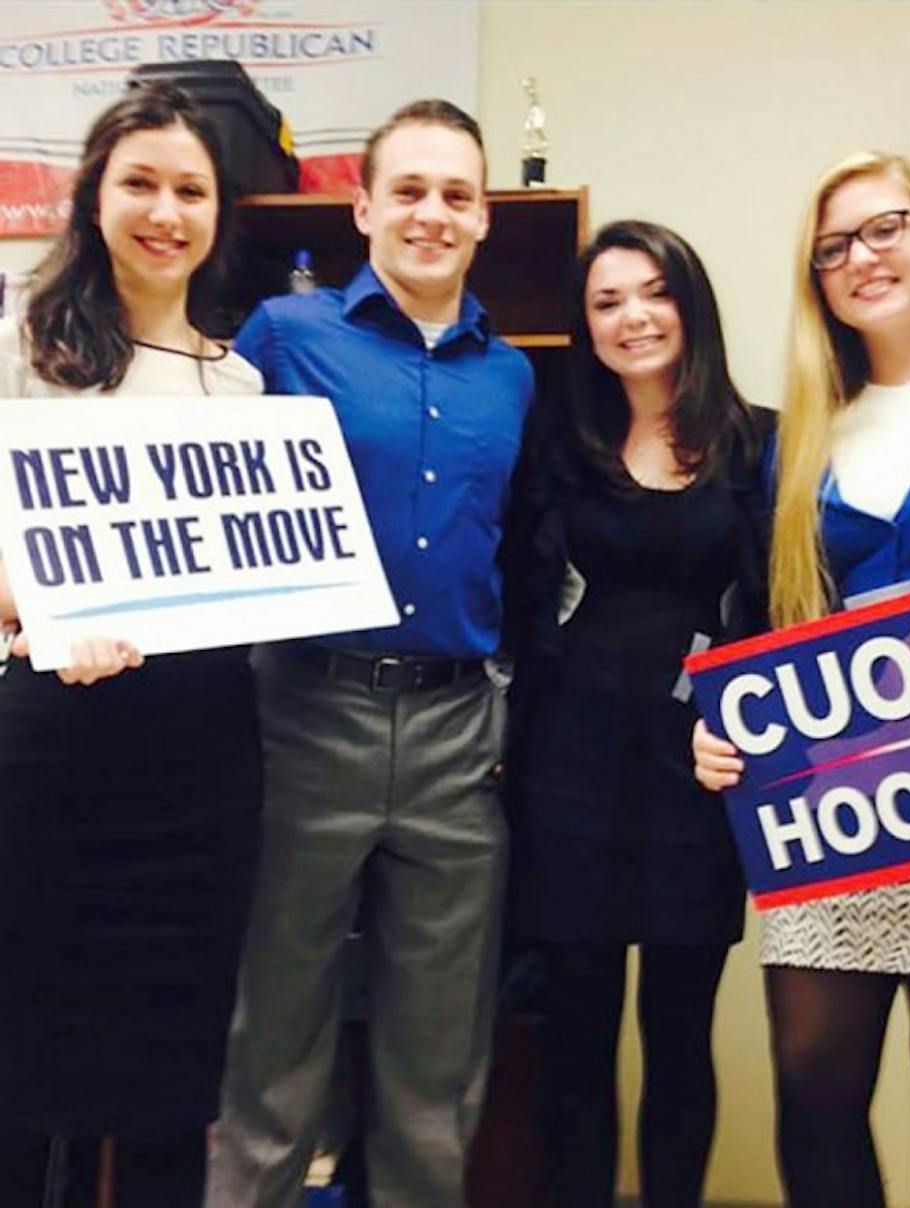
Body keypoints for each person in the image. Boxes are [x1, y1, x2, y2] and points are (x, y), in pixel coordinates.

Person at [207, 99, 533, 1208]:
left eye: (455, 194)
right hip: (305, 713)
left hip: (456, 735)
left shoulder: (513, 377)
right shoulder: (287, 333)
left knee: (435, 1063)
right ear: (364, 207)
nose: (431, 214)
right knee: (276, 1036)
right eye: (409, 190)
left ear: (483, 215)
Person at [694, 151, 910, 1208]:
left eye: (883, 228)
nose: (861, 257)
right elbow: (767, 622)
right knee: (813, 1090)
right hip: (836, 815)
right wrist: (717, 722)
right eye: (833, 248)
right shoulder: (804, 432)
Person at [0, 83, 263, 1207]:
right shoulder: (19, 347)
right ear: (95, 197)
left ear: (217, 214)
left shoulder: (240, 381)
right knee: (27, 1047)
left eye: (190, 189)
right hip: (52, 739)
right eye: (140, 183)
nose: (165, 211)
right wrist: (44, 614)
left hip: (198, 755)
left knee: (170, 1061)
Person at [505, 220, 769, 1208]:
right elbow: (521, 593)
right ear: (586, 324)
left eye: (651, 292)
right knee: (572, 1030)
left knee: (678, 1030)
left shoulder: (756, 441)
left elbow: (782, 611)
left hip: (696, 771)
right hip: (569, 762)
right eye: (606, 300)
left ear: (688, 304)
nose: (631, 317)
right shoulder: (558, 438)